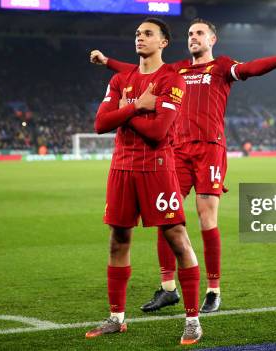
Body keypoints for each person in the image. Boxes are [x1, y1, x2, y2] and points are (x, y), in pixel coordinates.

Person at [90, 18, 276, 313]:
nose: (193, 37)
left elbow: (249, 69)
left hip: (209, 148)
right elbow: (137, 70)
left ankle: (213, 290)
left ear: (212, 39)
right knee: (167, 219)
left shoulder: (222, 67)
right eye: (189, 34)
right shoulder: (177, 70)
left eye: (199, 33)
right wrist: (107, 61)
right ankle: (167, 288)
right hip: (177, 150)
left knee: (205, 216)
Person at [86, 18, 202, 345]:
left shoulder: (172, 79)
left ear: (164, 42)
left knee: (177, 237)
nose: (140, 37)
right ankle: (116, 318)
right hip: (121, 167)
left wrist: (125, 113)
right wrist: (138, 106)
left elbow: (157, 133)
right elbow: (99, 124)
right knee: (118, 239)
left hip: (157, 167)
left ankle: (192, 320)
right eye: (137, 33)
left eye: (148, 33)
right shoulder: (121, 79)